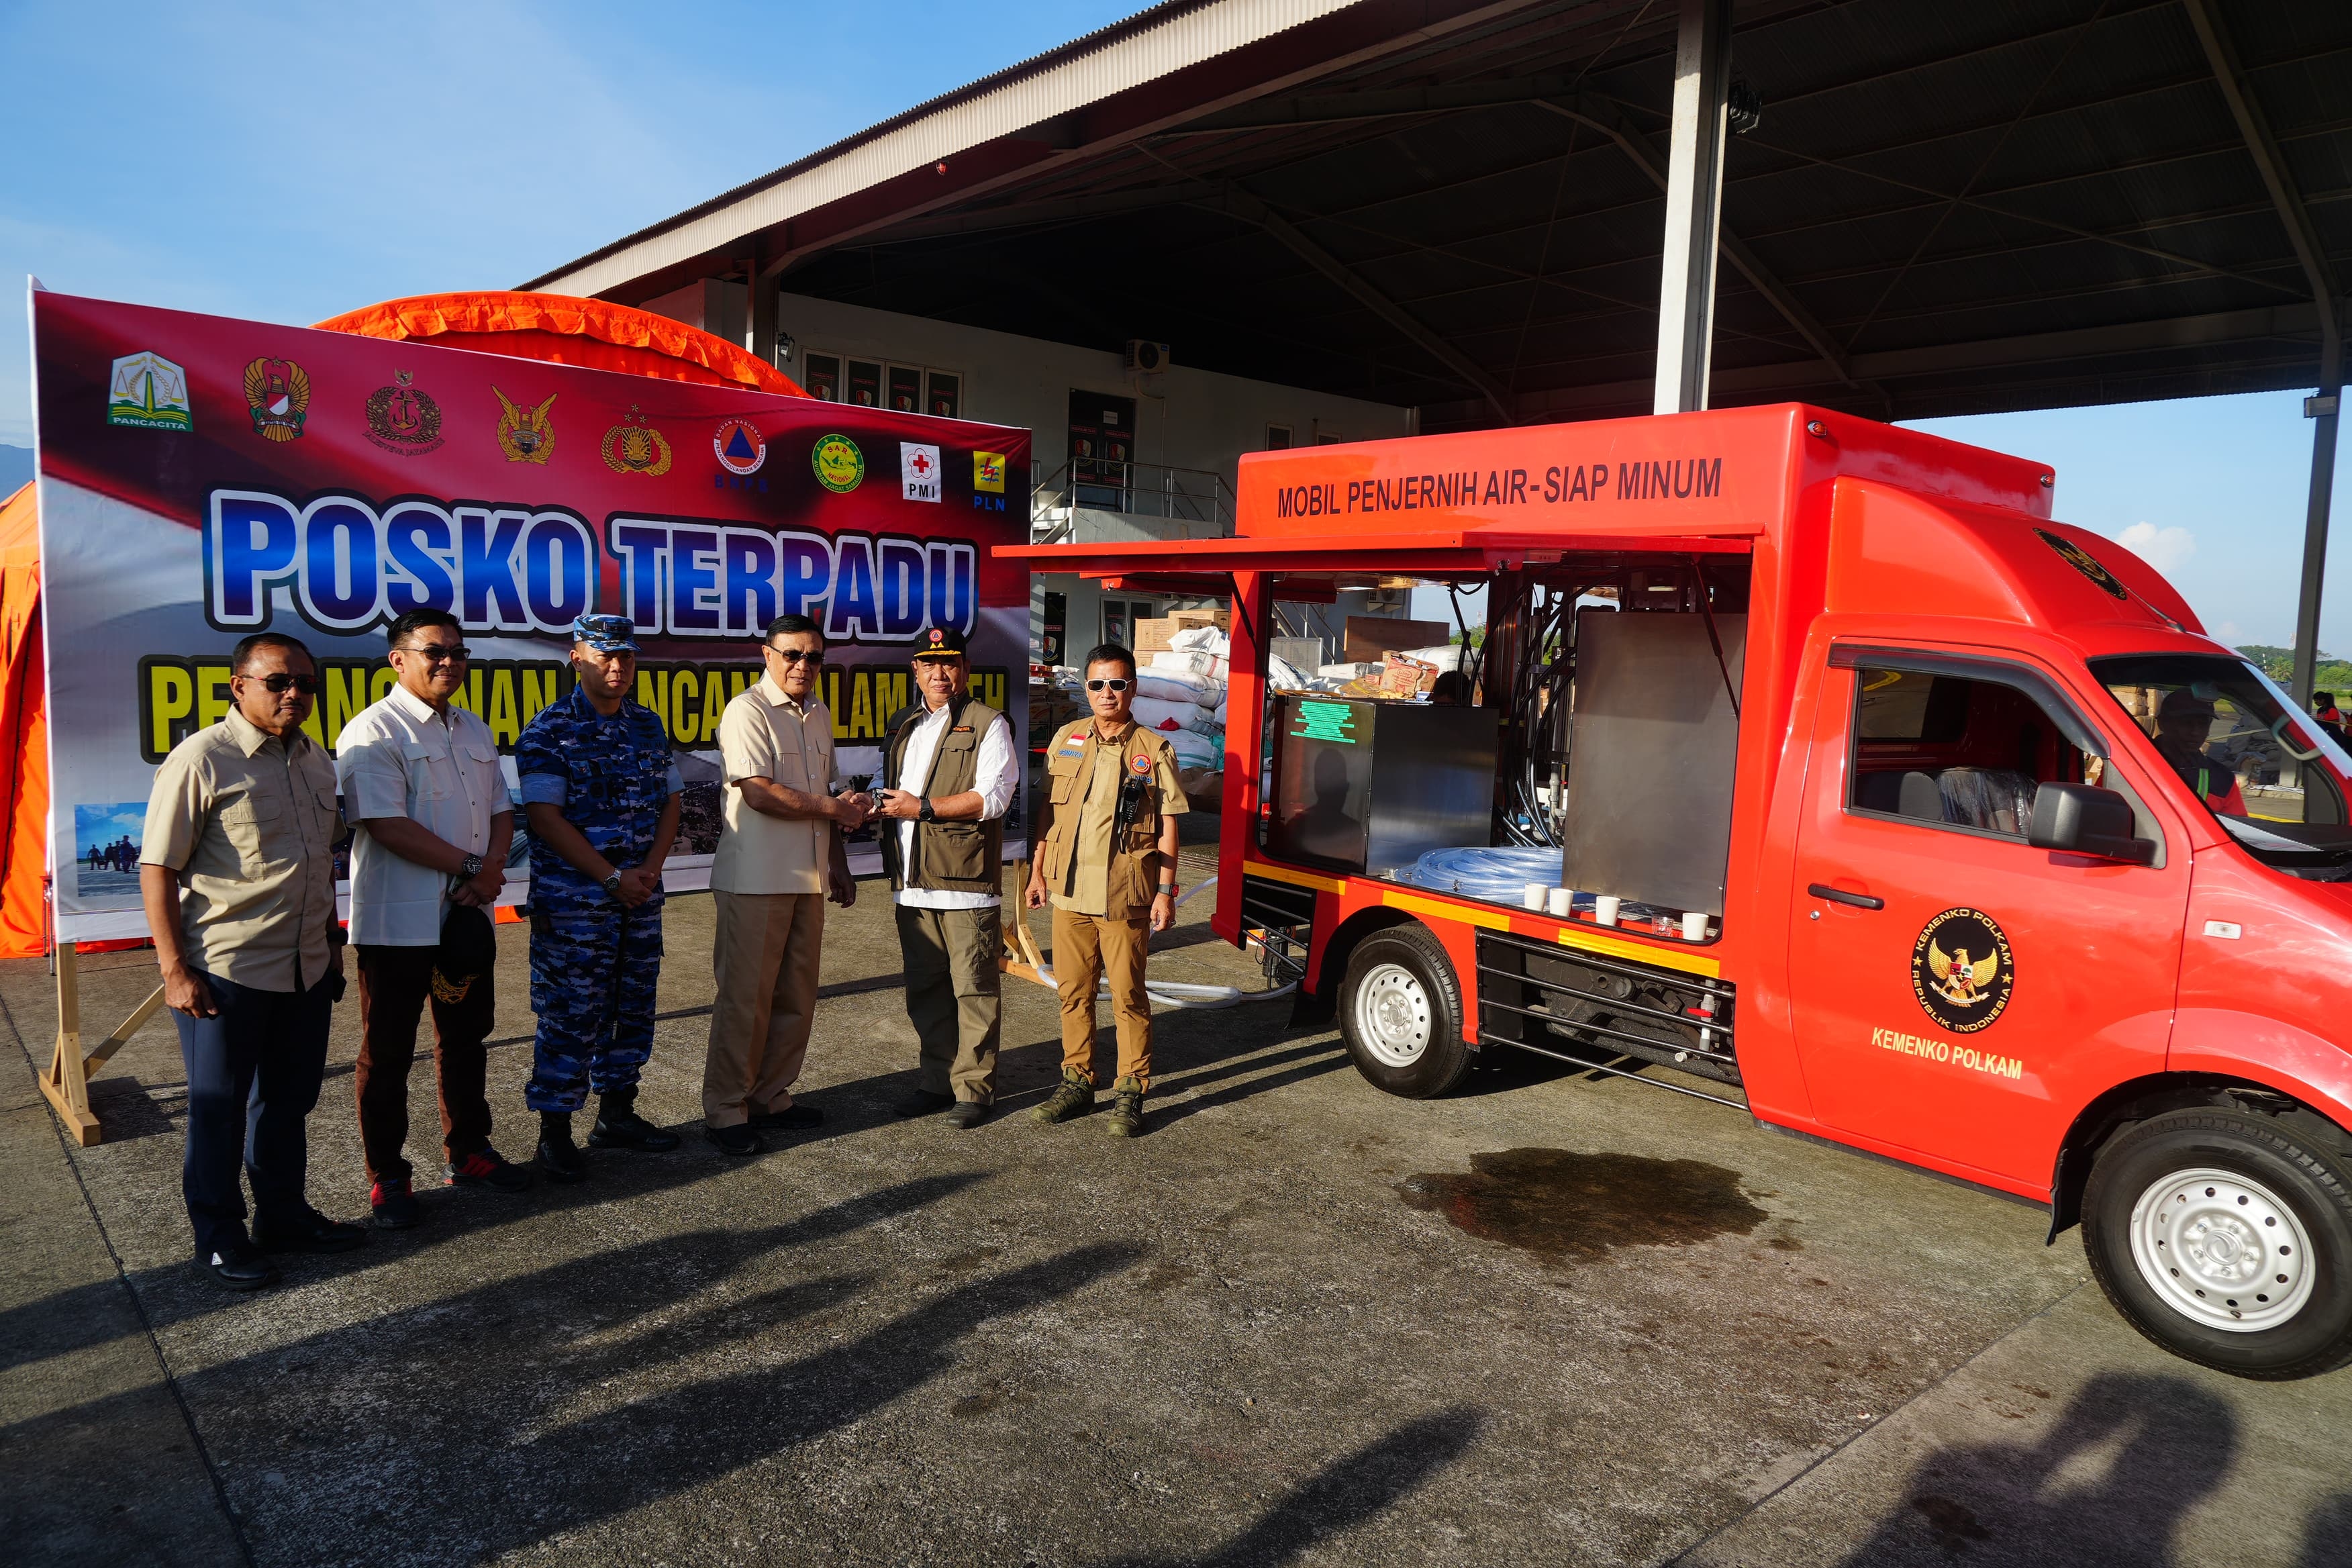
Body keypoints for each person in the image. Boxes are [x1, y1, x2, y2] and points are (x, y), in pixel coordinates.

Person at [139, 632, 364, 1289]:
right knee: (219, 1109)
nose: (294, 693)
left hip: (306, 967)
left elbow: (319, 862)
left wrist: (331, 946)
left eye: (305, 683)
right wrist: (173, 970)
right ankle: (218, 1238)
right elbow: (157, 868)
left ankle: (283, 1217)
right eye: (278, 681)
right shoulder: (201, 759)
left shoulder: (316, 759)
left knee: (288, 1102)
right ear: (239, 686)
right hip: (226, 970)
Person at [336, 607, 528, 1225]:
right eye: (434, 652)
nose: (449, 662)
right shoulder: (373, 731)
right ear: (398, 659)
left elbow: (501, 810)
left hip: (466, 919)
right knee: (387, 1052)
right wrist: (474, 868)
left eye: (458, 652)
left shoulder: (474, 728)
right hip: (398, 923)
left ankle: (469, 1151)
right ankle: (388, 1178)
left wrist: (490, 871)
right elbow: (386, 825)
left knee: (466, 1040)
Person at [514, 614, 685, 1181]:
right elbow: (545, 818)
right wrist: (613, 877)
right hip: (575, 907)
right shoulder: (549, 731)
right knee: (571, 1014)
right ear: (577, 658)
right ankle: (555, 1132)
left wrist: (650, 871)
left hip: (639, 899)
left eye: (626, 655)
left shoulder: (648, 725)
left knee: (633, 1007)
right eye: (604, 655)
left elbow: (671, 803)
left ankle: (617, 1115)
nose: (617, 666)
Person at [702, 613, 869, 1155]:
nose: (803, 665)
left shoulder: (818, 712)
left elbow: (828, 793)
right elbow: (759, 793)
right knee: (746, 1000)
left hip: (808, 877)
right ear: (767, 654)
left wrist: (838, 862)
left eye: (813, 656)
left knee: (797, 995)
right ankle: (727, 1109)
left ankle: (770, 1095)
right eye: (792, 654)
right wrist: (836, 809)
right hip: (755, 879)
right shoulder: (746, 710)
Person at [1024, 642, 1187, 1138]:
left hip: (1124, 893)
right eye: (1097, 684)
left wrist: (1165, 891)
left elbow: (1169, 826)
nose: (1107, 693)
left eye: (1117, 684)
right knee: (1073, 992)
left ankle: (1131, 1089)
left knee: (1128, 996)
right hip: (1069, 891)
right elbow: (1048, 813)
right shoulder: (1067, 738)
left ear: (1132, 688)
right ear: (1087, 688)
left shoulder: (1154, 750)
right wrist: (1037, 871)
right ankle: (1077, 1080)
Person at [874, 626, 1016, 1129]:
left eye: (950, 663)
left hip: (965, 882)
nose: (940, 673)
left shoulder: (988, 723)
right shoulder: (903, 723)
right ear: (915, 670)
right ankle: (937, 1082)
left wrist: (924, 808)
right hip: (912, 881)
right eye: (930, 664)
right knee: (926, 990)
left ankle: (975, 1091)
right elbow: (894, 789)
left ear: (965, 669)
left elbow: (995, 797)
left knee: (973, 991)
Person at [2152, 687, 2247, 814]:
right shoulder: (2135, 763)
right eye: (2186, 723)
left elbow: (2237, 823)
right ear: (2162, 723)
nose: (2195, 732)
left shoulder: (2223, 780)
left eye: (2203, 724)